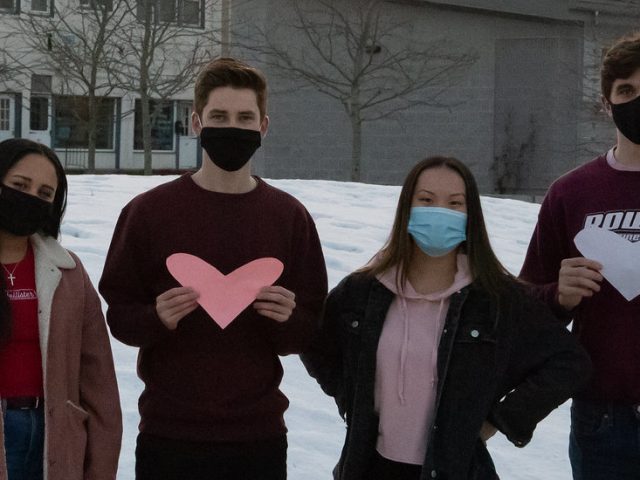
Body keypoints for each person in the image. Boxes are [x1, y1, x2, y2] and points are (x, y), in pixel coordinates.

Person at [99, 57, 328, 480]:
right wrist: (155, 318)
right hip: (169, 436)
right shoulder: (148, 213)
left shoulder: (290, 218)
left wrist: (287, 319)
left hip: (258, 438)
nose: (233, 127)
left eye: (245, 117)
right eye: (219, 116)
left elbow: (309, 326)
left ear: (263, 126)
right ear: (196, 123)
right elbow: (120, 315)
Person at [301, 156, 591, 480]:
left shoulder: (495, 297)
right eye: (426, 200)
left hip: (458, 469)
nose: (439, 212)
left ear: (470, 216)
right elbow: (314, 341)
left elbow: (569, 362)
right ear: (407, 208)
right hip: (369, 467)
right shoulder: (362, 291)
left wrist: (500, 420)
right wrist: (353, 399)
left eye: (455, 203)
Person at [519, 32, 640, 480]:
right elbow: (523, 307)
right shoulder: (571, 193)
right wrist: (559, 296)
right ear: (607, 104)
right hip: (603, 421)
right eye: (626, 91)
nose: (637, 101)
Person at [0, 138, 122, 480]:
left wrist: (100, 466)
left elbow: (98, 379)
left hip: (53, 437)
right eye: (19, 185)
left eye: (44, 193)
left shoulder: (67, 271)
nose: (29, 198)